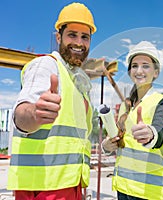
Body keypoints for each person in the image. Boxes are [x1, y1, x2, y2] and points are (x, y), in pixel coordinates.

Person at [7, 2, 97, 200]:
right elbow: (21, 114)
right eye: (72, 35)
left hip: (70, 184)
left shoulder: (77, 82)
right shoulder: (46, 65)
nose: (79, 43)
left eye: (85, 37)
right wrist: (35, 114)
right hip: (42, 188)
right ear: (59, 37)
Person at [102, 41, 163, 200]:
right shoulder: (125, 106)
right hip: (124, 187)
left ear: (156, 72)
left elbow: (160, 130)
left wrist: (150, 134)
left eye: (146, 66)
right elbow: (121, 141)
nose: (139, 70)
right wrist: (107, 146)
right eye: (134, 66)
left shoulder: (162, 101)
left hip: (151, 192)